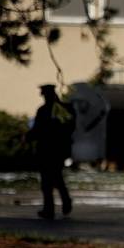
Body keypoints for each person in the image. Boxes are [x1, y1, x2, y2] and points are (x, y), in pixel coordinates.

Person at [26, 84, 75, 220]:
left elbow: (37, 130)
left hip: (47, 151)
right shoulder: (66, 110)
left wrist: (27, 137)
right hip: (60, 151)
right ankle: (65, 202)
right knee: (57, 178)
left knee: (47, 181)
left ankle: (50, 209)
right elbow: (71, 127)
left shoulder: (44, 111)